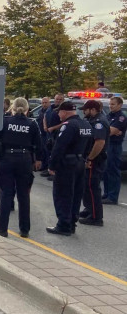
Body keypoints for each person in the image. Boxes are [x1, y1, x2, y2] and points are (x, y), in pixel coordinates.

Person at [0, 98, 42, 238]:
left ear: (12, 108)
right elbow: (40, 144)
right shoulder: (32, 124)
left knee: (6, 194)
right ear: (27, 109)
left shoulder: (5, 121)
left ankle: (2, 228)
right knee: (24, 195)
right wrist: (39, 160)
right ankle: (24, 229)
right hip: (25, 160)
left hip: (7, 159)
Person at [46, 101, 92, 236]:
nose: (59, 115)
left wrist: (52, 166)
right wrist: (85, 158)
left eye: (59, 112)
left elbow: (59, 147)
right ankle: (72, 222)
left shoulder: (68, 126)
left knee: (63, 194)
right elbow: (89, 143)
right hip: (79, 162)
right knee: (76, 194)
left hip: (67, 163)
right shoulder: (86, 124)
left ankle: (63, 225)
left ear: (65, 112)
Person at [78, 100, 110, 226]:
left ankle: (96, 217)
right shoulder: (94, 119)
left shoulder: (99, 123)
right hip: (92, 158)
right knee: (86, 186)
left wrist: (90, 158)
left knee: (92, 188)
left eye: (85, 110)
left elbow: (99, 143)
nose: (83, 112)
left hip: (95, 160)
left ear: (92, 109)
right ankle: (89, 209)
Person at [103, 96, 126, 205]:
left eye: (113, 104)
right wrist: (108, 130)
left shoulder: (121, 117)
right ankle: (106, 194)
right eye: (110, 104)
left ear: (120, 105)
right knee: (106, 171)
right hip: (107, 144)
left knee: (113, 170)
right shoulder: (109, 115)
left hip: (114, 146)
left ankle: (112, 197)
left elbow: (110, 131)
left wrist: (109, 130)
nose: (110, 106)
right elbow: (105, 129)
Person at [41, 94, 65, 178]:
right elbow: (44, 116)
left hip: (58, 134)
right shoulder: (50, 108)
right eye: (56, 99)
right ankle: (49, 169)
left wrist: (53, 128)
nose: (58, 100)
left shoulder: (63, 109)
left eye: (60, 99)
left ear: (63, 100)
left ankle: (55, 172)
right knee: (48, 151)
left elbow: (65, 122)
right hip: (49, 134)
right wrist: (45, 126)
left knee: (55, 153)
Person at [36, 97, 51, 172]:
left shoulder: (50, 111)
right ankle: (43, 166)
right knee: (42, 150)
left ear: (49, 103)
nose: (44, 104)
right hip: (41, 133)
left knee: (47, 151)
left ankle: (46, 167)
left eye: (46, 102)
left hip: (47, 134)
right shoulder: (40, 111)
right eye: (43, 103)